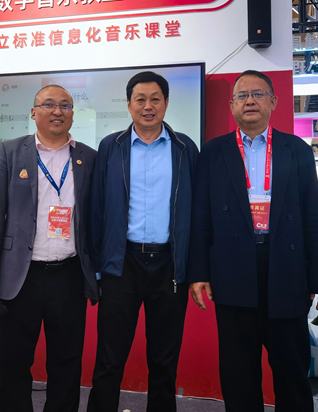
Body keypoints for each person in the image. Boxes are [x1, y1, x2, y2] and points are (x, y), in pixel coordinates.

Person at [188, 70, 318, 412]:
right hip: (232, 268)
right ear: (231, 105)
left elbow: (314, 214)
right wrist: (199, 271)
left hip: (286, 268)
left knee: (292, 370)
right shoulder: (213, 152)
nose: (249, 101)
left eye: (257, 94)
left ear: (273, 101)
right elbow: (200, 217)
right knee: (238, 372)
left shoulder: (296, 150)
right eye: (242, 96)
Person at [0, 85, 98, 412]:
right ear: (33, 112)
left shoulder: (88, 157)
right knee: (15, 361)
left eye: (65, 105)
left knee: (67, 362)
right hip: (20, 275)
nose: (57, 111)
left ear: (73, 113)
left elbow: (96, 218)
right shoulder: (10, 151)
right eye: (49, 104)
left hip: (69, 275)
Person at [87, 71, 199, 412]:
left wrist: (193, 268)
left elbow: (197, 212)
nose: (148, 106)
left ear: (166, 103)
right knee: (109, 358)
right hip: (122, 263)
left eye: (155, 99)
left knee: (164, 360)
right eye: (140, 99)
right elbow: (96, 210)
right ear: (129, 104)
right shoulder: (111, 146)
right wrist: (96, 266)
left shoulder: (184, 148)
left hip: (169, 266)